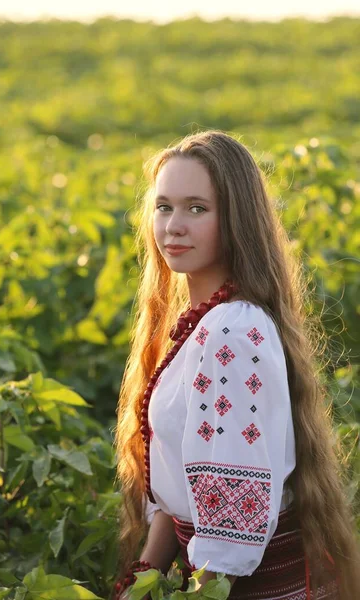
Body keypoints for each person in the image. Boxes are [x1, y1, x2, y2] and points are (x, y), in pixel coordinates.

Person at [113, 131, 360, 600]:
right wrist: (139, 580)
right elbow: (179, 490)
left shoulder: (232, 331)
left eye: (197, 208)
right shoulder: (199, 324)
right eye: (163, 207)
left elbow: (231, 530)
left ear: (237, 220)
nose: (173, 226)